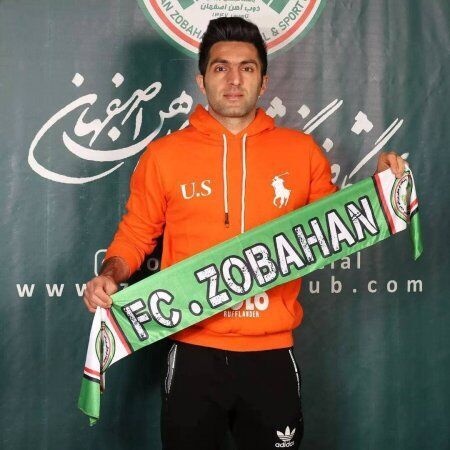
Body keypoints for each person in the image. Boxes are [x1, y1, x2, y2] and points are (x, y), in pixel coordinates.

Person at [83, 17, 405, 450]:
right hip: (193, 351)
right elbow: (136, 233)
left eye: (247, 68)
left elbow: (337, 227)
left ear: (263, 81)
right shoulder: (164, 155)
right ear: (201, 80)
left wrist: (381, 191)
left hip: (270, 355)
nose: (234, 79)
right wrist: (111, 274)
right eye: (221, 67)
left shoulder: (300, 152)